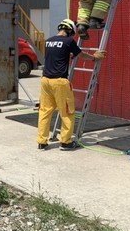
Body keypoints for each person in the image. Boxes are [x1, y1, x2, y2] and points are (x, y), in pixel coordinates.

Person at [36, 19, 106, 151]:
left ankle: (42, 142)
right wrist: (94, 57)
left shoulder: (48, 41)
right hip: (60, 82)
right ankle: (66, 142)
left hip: (45, 80)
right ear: (69, 31)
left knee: (45, 112)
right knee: (67, 112)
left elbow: (58, 53)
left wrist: (70, 54)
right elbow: (82, 55)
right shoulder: (69, 41)